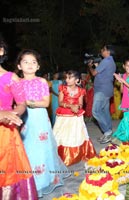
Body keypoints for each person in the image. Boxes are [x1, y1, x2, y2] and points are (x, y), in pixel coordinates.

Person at [17, 49, 70, 197]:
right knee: (27, 149)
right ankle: (28, 181)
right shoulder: (16, 82)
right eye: (25, 62)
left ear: (38, 66)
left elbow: (46, 103)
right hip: (23, 119)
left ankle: (42, 181)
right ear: (19, 66)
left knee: (41, 148)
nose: (30, 64)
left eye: (33, 62)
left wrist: (27, 102)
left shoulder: (41, 81)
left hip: (39, 119)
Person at [0, 41, 38, 199]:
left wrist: (14, 114)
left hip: (5, 133)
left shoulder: (11, 78)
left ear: (1, 51)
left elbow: (21, 103)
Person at [53, 70, 96, 166]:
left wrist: (78, 107)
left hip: (75, 116)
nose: (67, 80)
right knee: (62, 134)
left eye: (69, 78)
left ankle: (76, 154)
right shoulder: (63, 88)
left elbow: (81, 103)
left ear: (76, 80)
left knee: (75, 134)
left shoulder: (81, 90)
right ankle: (61, 155)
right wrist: (70, 106)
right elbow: (60, 102)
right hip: (64, 115)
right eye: (66, 78)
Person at [88, 45, 116, 144]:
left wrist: (90, 67)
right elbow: (102, 73)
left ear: (108, 51)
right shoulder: (111, 62)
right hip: (107, 89)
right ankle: (108, 132)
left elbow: (94, 73)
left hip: (102, 90)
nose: (101, 51)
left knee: (95, 111)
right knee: (104, 111)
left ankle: (107, 131)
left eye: (103, 49)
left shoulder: (106, 60)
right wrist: (96, 66)